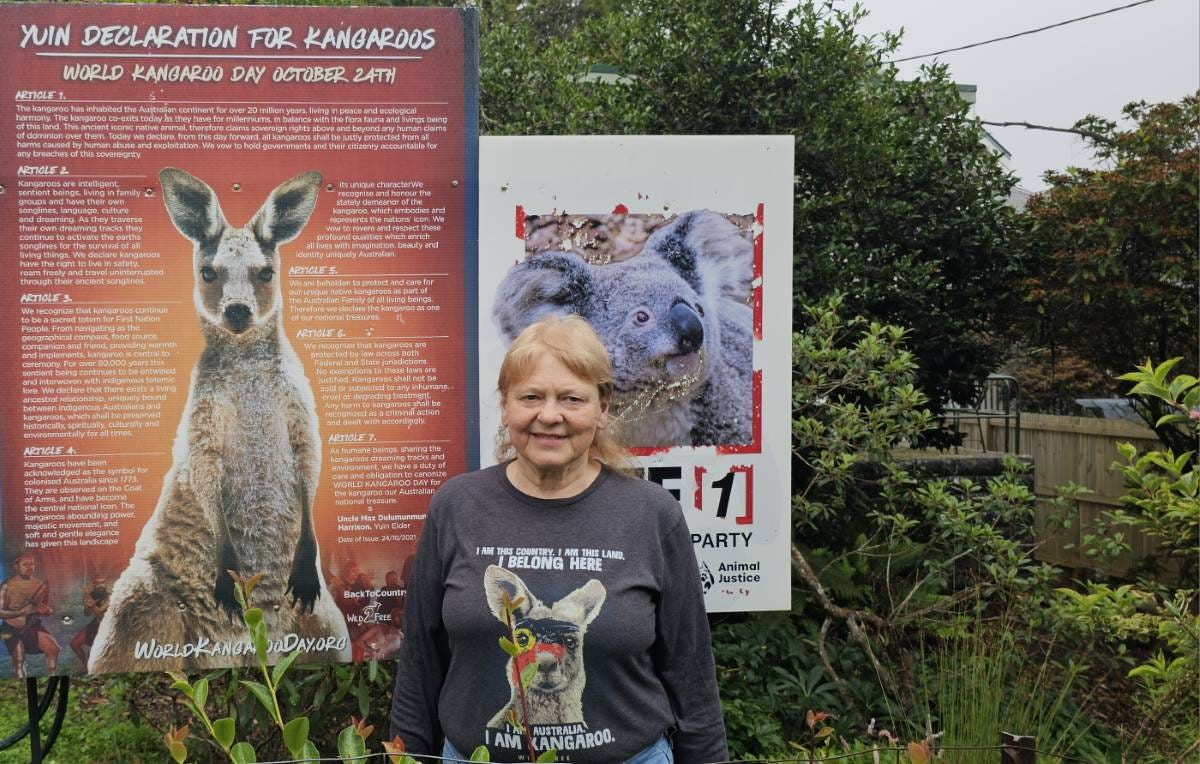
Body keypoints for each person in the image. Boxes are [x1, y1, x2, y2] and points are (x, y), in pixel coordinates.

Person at [390, 315, 727, 763]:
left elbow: (691, 671)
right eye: (531, 397)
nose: (550, 415)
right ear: (506, 404)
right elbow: (420, 661)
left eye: (571, 398)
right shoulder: (457, 507)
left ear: (602, 408)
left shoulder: (651, 514)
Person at [0, 552, 60, 677]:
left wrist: (46, 611)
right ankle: (21, 685)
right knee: (19, 659)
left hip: (32, 625)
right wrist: (21, 611)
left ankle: (53, 679)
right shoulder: (6, 586)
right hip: (12, 628)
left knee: (53, 649)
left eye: (32, 564)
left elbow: (42, 608)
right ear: (16, 567)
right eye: (25, 564)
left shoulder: (39, 585)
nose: (29, 567)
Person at [70, 575, 110, 666]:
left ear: (106, 583)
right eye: (97, 583)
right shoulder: (92, 596)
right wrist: (86, 601)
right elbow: (87, 613)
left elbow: (99, 612)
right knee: (74, 643)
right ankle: (85, 665)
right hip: (96, 623)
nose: (100, 585)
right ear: (93, 585)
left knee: (96, 653)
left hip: (108, 626)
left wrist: (89, 599)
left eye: (102, 582)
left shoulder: (110, 597)